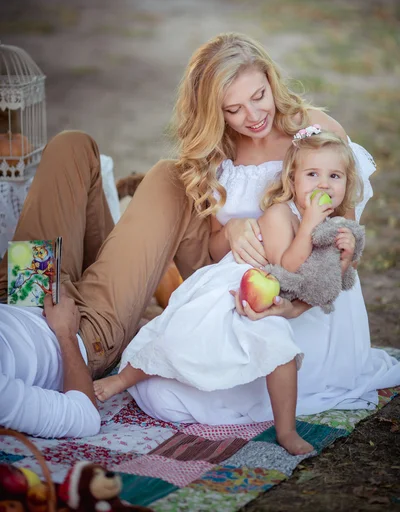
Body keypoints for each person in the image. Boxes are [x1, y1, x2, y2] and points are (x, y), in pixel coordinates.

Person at [0, 32, 399, 440]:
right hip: (232, 283)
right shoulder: (220, 149)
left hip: (303, 300)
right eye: (234, 109)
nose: (254, 115)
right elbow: (210, 250)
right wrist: (235, 227)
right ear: (216, 112)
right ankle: (51, 301)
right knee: (165, 179)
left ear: (271, 78)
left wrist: (294, 307)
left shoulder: (315, 131)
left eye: (260, 95)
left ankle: (32, 292)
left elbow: (347, 235)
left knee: (72, 145)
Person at [92, 128, 362, 454]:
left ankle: (286, 430)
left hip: (271, 299)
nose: (323, 184)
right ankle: (124, 378)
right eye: (312, 174)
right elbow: (287, 268)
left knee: (282, 351)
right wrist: (308, 227)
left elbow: (323, 282)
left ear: (347, 184)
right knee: (187, 329)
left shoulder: (332, 225)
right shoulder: (281, 214)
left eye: (334, 176)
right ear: (292, 181)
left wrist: (345, 259)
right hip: (236, 281)